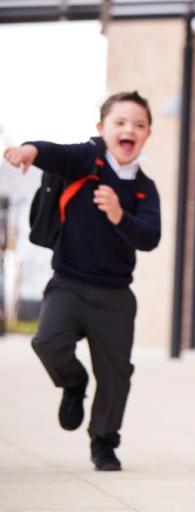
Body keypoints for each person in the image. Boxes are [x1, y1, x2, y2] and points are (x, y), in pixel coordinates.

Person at [3, 91, 161, 471]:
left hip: (116, 294)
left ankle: (104, 442)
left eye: (138, 125)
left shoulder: (145, 188)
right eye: (120, 123)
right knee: (47, 342)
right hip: (69, 284)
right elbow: (53, 153)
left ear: (148, 134)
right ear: (101, 128)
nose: (129, 130)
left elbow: (150, 237)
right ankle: (74, 384)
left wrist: (120, 215)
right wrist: (28, 151)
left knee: (116, 374)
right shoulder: (85, 160)